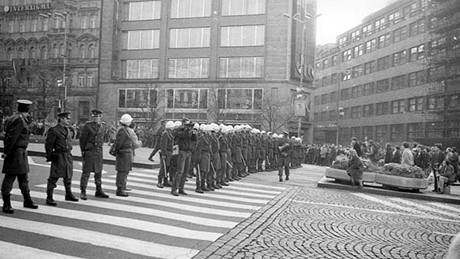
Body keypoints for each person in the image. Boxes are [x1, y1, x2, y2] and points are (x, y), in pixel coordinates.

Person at [1, 100, 38, 214]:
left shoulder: (16, 118)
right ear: (27, 110)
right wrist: (6, 152)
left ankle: (27, 200)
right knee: (10, 177)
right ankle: (7, 204)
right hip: (16, 152)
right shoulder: (19, 120)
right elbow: (12, 138)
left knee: (23, 177)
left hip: (19, 153)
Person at [45, 111, 79, 206]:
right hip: (59, 156)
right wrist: (50, 156)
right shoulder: (54, 130)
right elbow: (48, 145)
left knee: (68, 176)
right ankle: (49, 197)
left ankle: (68, 194)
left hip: (67, 155)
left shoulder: (67, 130)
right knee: (54, 177)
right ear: (62, 119)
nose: (68, 120)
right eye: (67, 118)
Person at [79, 109, 109, 200]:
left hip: (98, 151)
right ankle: (83, 191)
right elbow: (82, 140)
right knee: (86, 172)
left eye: (98, 116)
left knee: (98, 172)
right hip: (90, 151)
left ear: (101, 117)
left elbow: (103, 138)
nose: (96, 118)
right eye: (94, 116)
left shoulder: (103, 126)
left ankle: (98, 190)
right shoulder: (87, 126)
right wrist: (84, 151)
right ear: (92, 117)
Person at [113, 114, 142, 197]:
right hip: (126, 153)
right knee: (123, 171)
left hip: (122, 153)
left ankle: (122, 186)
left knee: (122, 171)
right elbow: (135, 144)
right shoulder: (129, 131)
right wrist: (140, 143)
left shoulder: (120, 129)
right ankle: (120, 189)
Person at [171, 118, 197, 196]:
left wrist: (194, 132)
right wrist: (186, 130)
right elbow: (182, 135)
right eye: (187, 125)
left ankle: (181, 188)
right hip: (182, 151)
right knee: (180, 171)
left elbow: (194, 139)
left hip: (188, 152)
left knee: (185, 172)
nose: (189, 127)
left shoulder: (190, 131)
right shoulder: (179, 130)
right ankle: (174, 189)